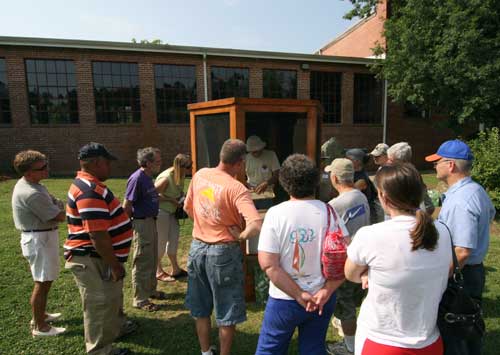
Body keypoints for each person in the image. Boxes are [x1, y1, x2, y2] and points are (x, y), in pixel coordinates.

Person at [345, 163, 452, 355]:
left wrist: (370, 272)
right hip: (430, 342)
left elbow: (351, 274)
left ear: (383, 197)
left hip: (382, 342)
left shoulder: (371, 235)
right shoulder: (442, 231)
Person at [256, 154, 348, 355]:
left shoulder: (276, 214)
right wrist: (326, 291)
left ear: (283, 182)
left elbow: (268, 264)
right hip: (321, 298)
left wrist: (299, 294)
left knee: (269, 350)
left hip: (284, 298)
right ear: (315, 181)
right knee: (313, 349)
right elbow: (346, 258)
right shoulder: (330, 212)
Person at [184, 139, 262, 355]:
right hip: (224, 252)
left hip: (197, 247)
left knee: (200, 307)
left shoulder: (199, 175)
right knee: (227, 309)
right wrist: (241, 236)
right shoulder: (237, 188)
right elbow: (255, 223)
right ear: (240, 162)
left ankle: (205, 351)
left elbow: (188, 208)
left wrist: (204, 224)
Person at [425, 139, 495, 355]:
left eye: (437, 162)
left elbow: (463, 250)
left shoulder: (461, 201)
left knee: (456, 332)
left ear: (451, 165)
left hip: (461, 274)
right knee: (467, 326)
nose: (434, 166)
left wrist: (439, 279)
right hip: (470, 272)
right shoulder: (474, 190)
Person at [64, 142, 135, 355]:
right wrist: (114, 265)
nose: (109, 168)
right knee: (98, 305)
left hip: (97, 256)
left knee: (108, 301)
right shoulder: (89, 191)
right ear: (96, 163)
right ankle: (100, 351)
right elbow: (97, 234)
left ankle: (114, 332)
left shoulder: (90, 185)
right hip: (93, 258)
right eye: (107, 163)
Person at [11, 150, 66, 337]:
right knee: (42, 282)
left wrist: (57, 205)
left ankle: (40, 315)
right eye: (42, 168)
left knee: (45, 279)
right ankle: (40, 326)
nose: (47, 169)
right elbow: (59, 215)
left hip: (42, 236)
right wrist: (63, 208)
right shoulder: (31, 193)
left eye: (46, 165)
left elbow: (55, 202)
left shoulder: (34, 184)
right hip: (39, 239)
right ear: (28, 173)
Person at [324, 159, 370, 355]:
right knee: (354, 304)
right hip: (364, 258)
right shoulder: (361, 196)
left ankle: (350, 347)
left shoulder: (334, 205)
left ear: (334, 177)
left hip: (345, 263)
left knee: (346, 307)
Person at [123, 147, 165, 311]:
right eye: (157, 162)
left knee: (152, 257)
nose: (160, 164)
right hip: (142, 223)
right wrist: (128, 226)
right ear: (147, 163)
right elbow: (127, 205)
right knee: (142, 260)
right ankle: (140, 299)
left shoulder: (148, 177)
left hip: (151, 222)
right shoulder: (137, 178)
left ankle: (151, 290)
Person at [155, 153, 192, 282]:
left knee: (173, 239)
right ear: (180, 166)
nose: (190, 169)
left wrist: (182, 196)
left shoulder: (180, 175)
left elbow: (178, 189)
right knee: (161, 240)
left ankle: (175, 269)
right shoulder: (166, 178)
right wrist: (171, 200)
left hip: (172, 212)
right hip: (162, 213)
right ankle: (158, 271)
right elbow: (152, 195)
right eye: (188, 166)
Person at [387, 142, 435, 216]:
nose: (388, 162)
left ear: (402, 161)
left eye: (391, 160)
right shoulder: (408, 172)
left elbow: (427, 205)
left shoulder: (407, 176)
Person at [345, 149, 380, 224]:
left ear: (357, 161)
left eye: (348, 159)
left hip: (367, 216)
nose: (346, 161)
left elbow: (347, 193)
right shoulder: (355, 173)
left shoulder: (361, 179)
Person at [245, 135, 280, 209]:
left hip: (266, 194)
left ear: (261, 148)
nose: (255, 153)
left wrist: (266, 183)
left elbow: (277, 173)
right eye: (253, 152)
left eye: (257, 151)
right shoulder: (246, 158)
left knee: (266, 216)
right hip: (251, 193)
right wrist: (247, 185)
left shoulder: (271, 155)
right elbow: (241, 176)